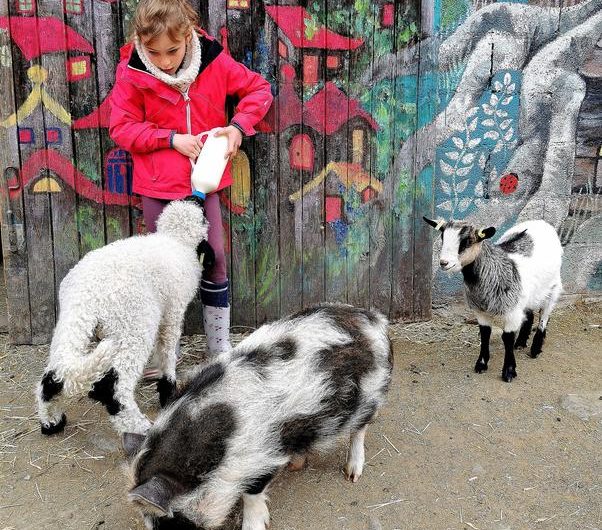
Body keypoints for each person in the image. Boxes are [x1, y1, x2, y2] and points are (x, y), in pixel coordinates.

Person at [109, 0, 273, 375]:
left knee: (214, 257)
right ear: (139, 41)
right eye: (154, 52)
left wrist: (237, 126)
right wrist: (170, 139)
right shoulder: (132, 72)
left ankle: (218, 348)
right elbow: (120, 127)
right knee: (162, 271)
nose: (164, 61)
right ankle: (168, 353)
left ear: (188, 35)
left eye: (173, 50)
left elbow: (259, 90)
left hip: (206, 181)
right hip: (157, 185)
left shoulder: (215, 62)